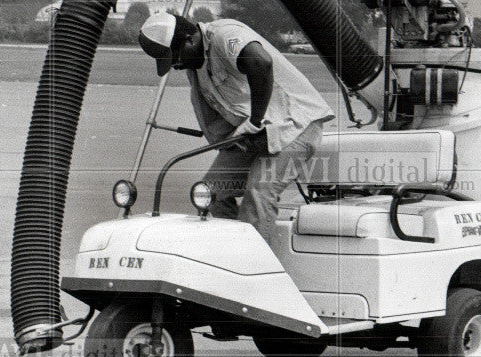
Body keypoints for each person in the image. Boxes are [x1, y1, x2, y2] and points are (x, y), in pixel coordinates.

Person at [138, 12, 334, 243]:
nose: (176, 66)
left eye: (176, 58)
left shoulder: (225, 35)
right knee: (208, 193)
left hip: (297, 125)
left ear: (190, 40)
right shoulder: (196, 66)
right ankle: (234, 252)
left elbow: (261, 62)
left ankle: (255, 268)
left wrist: (255, 121)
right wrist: (237, 138)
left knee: (259, 193)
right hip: (259, 134)